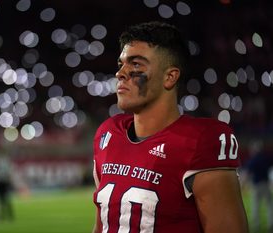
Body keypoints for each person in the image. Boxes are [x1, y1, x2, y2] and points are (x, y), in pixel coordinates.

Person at [92, 21, 249, 233]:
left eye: (136, 64)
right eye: (121, 64)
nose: (121, 73)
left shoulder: (201, 139)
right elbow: (102, 225)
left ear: (170, 77)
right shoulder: (108, 134)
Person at [245, 140, 273, 233]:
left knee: (255, 207)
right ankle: (271, 225)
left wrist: (243, 184)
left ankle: (256, 227)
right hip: (265, 184)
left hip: (256, 185)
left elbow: (248, 173)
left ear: (254, 149)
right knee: (269, 206)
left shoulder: (253, 159)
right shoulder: (266, 158)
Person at [0, 154, 14, 221]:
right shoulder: (4, 164)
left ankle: (2, 216)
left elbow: (7, 175)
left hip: (2, 184)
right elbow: (8, 175)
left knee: (3, 201)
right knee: (4, 201)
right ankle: (6, 215)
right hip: (2, 184)